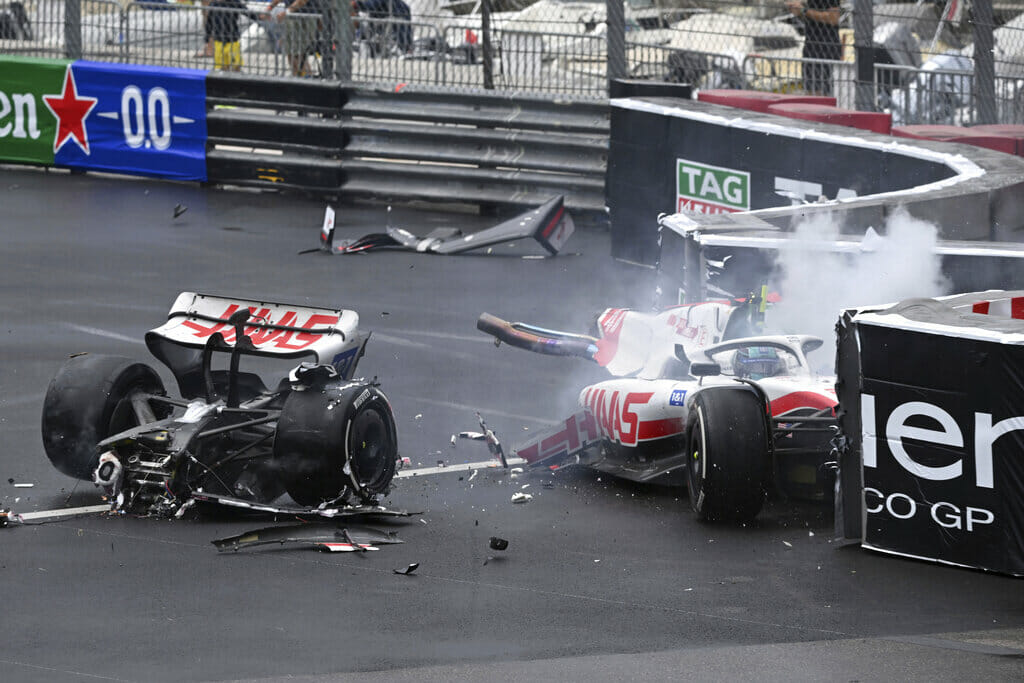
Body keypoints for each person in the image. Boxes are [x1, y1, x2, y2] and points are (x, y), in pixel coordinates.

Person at [785, 0, 841, 95]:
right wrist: (797, 10)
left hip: (826, 48)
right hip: (811, 45)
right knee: (810, 90)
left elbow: (833, 18)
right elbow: (810, 16)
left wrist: (804, 10)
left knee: (822, 92)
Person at [266, 0, 325, 76]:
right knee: (293, 54)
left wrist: (286, 12)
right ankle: (300, 78)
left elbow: (302, 1)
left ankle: (305, 79)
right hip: (294, 17)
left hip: (305, 17)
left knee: (298, 55)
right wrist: (269, 8)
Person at [208, 0, 259, 71]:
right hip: (219, 40)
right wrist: (207, 38)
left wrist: (259, 18)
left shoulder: (234, 2)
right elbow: (209, 22)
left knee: (236, 66)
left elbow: (247, 12)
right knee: (222, 67)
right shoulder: (213, 4)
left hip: (232, 39)